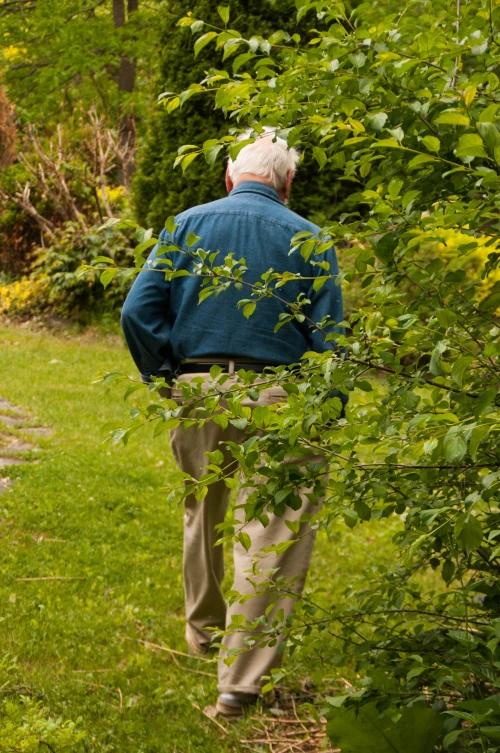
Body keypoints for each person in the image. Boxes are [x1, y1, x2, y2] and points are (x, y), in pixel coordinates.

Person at [120, 131, 344, 717]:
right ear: (287, 184)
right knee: (273, 531)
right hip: (282, 396)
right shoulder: (311, 239)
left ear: (229, 176)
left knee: (205, 513)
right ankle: (240, 683)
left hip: (197, 388)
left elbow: (136, 312)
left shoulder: (185, 225)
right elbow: (330, 341)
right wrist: (330, 408)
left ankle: (207, 638)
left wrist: (167, 375)